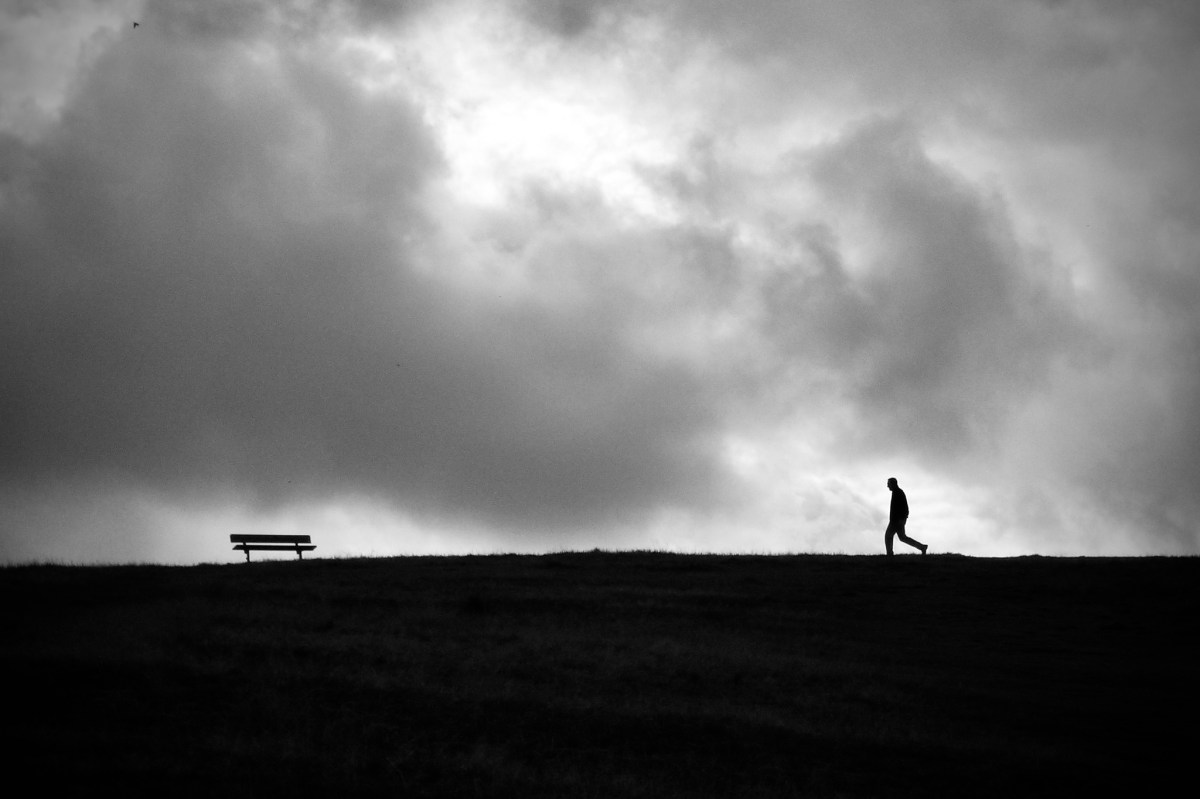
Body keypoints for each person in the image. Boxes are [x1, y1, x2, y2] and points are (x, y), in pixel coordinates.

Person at [885, 477, 927, 556]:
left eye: (888, 484)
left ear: (893, 484)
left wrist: (903, 519)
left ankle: (889, 554)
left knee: (888, 536)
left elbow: (905, 508)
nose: (887, 486)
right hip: (897, 520)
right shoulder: (896, 492)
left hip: (896, 521)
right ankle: (922, 547)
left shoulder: (898, 493)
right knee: (902, 537)